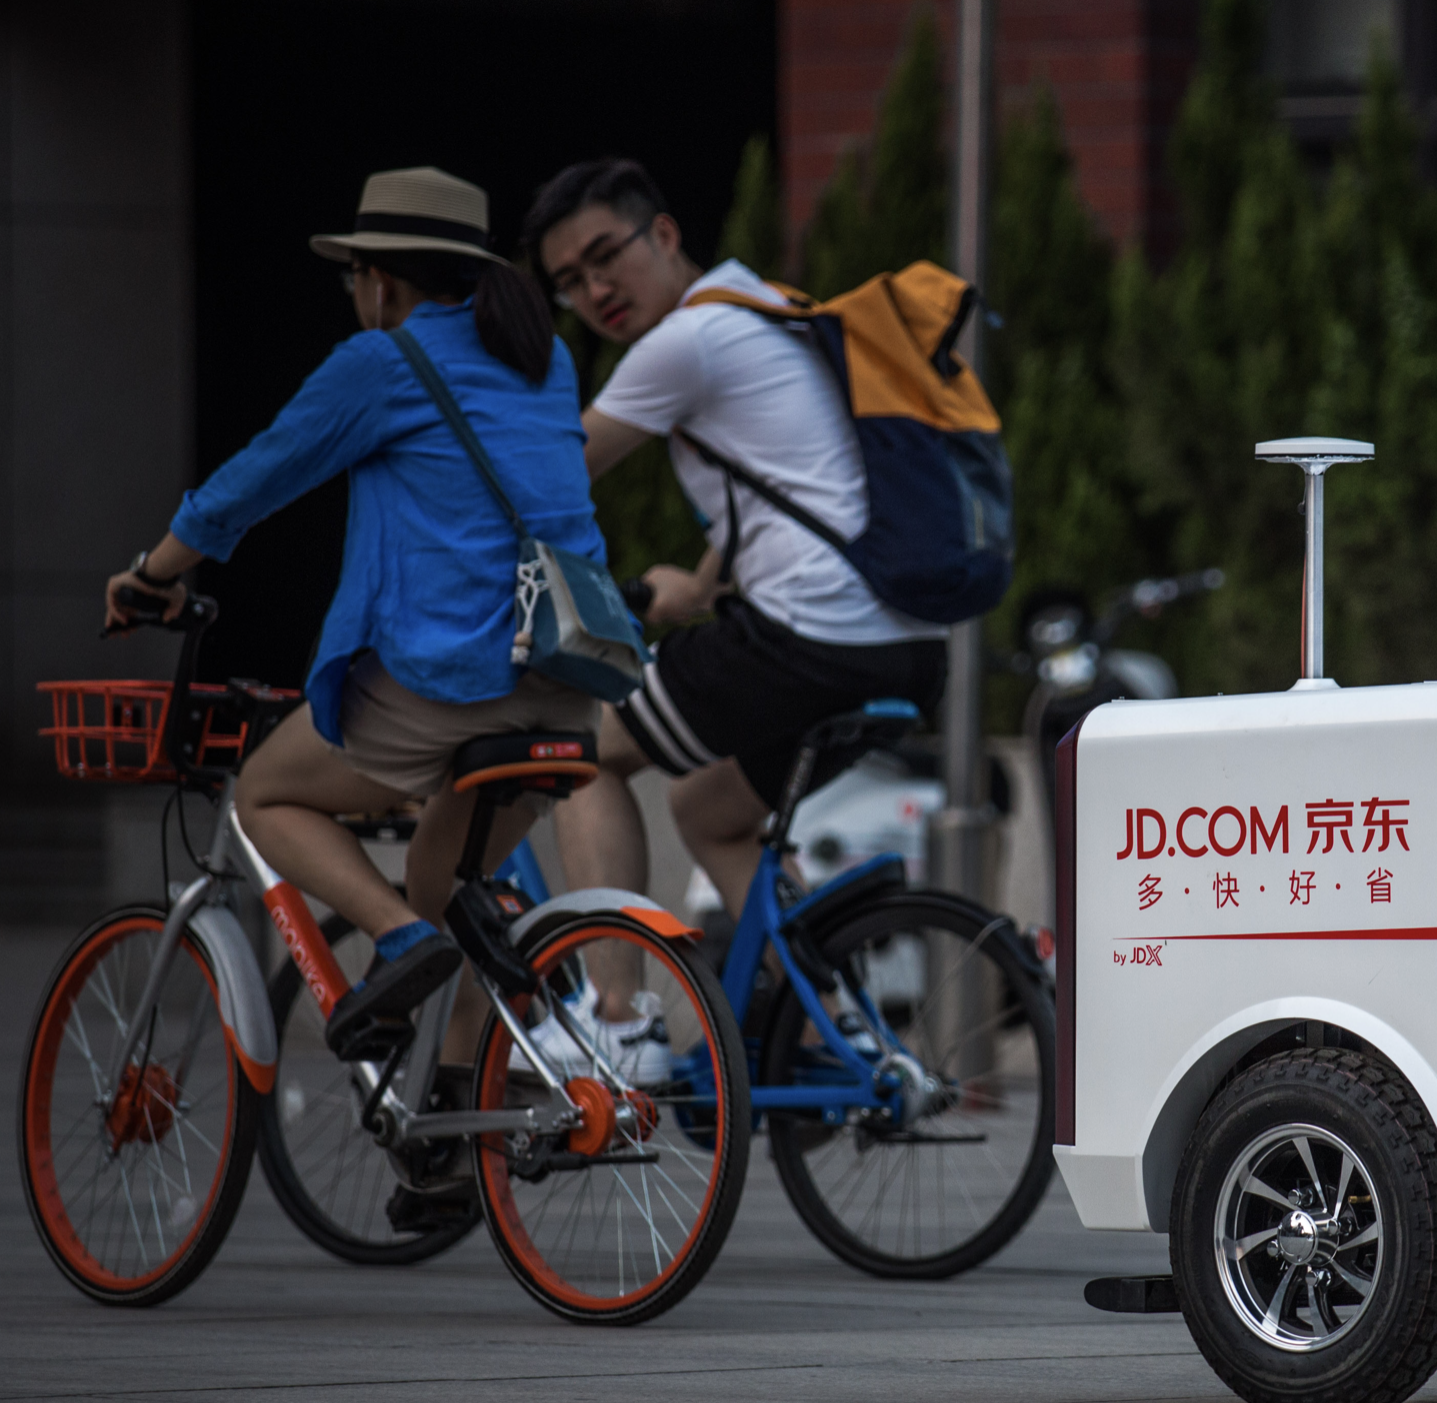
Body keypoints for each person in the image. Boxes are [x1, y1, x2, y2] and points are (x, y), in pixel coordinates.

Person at [104, 167, 606, 1063]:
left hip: (453, 686)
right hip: (570, 684)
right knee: (446, 887)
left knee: (264, 790)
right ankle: (458, 1133)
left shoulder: (384, 363)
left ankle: (398, 941)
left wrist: (151, 573)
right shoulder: (546, 359)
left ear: (380, 280)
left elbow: (253, 483)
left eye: (355, 279)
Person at [522, 159, 948, 1039]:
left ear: (665, 234)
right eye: (570, 283)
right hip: (903, 639)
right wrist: (703, 585)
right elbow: (799, 483)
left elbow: (546, 475)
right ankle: (829, 1028)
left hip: (811, 636)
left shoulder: (682, 344)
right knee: (707, 809)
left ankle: (616, 1025)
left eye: (607, 256)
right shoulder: (766, 307)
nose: (597, 289)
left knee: (582, 749)